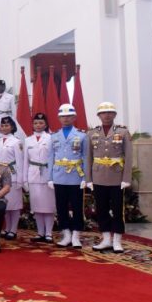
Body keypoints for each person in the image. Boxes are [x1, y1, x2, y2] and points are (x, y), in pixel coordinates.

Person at [87, 102, 132, 253]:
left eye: (109, 112)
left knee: (118, 209)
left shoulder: (123, 132)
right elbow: (88, 157)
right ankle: (106, 238)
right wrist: (88, 179)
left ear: (114, 115)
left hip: (117, 177)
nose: (106, 115)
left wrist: (126, 178)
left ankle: (117, 240)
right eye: (103, 113)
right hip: (98, 176)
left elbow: (129, 156)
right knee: (101, 209)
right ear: (99, 116)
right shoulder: (91, 133)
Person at [48, 104, 90, 249]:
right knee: (61, 207)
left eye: (68, 116)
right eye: (63, 116)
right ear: (59, 118)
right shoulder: (53, 136)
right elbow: (50, 157)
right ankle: (66, 234)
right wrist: (50, 178)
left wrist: (86, 177)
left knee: (77, 207)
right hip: (59, 176)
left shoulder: (82, 135)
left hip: (76, 176)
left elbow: (85, 156)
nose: (66, 118)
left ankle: (76, 235)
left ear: (74, 117)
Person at [22, 113, 55, 243]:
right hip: (33, 174)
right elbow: (25, 160)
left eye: (41, 123)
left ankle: (48, 233)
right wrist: (25, 179)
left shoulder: (51, 138)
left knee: (48, 206)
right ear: (32, 125)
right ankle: (40, 232)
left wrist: (53, 177)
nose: (38, 125)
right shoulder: (27, 140)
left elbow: (54, 158)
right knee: (36, 206)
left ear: (46, 124)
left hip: (47, 174)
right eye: (35, 123)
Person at [0, 116, 24, 240]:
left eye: (7, 125)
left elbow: (20, 162)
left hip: (12, 174)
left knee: (15, 204)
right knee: (4, 204)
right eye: (2, 125)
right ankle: (7, 228)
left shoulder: (16, 142)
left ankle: (13, 229)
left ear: (12, 127)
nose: (4, 128)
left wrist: (20, 179)